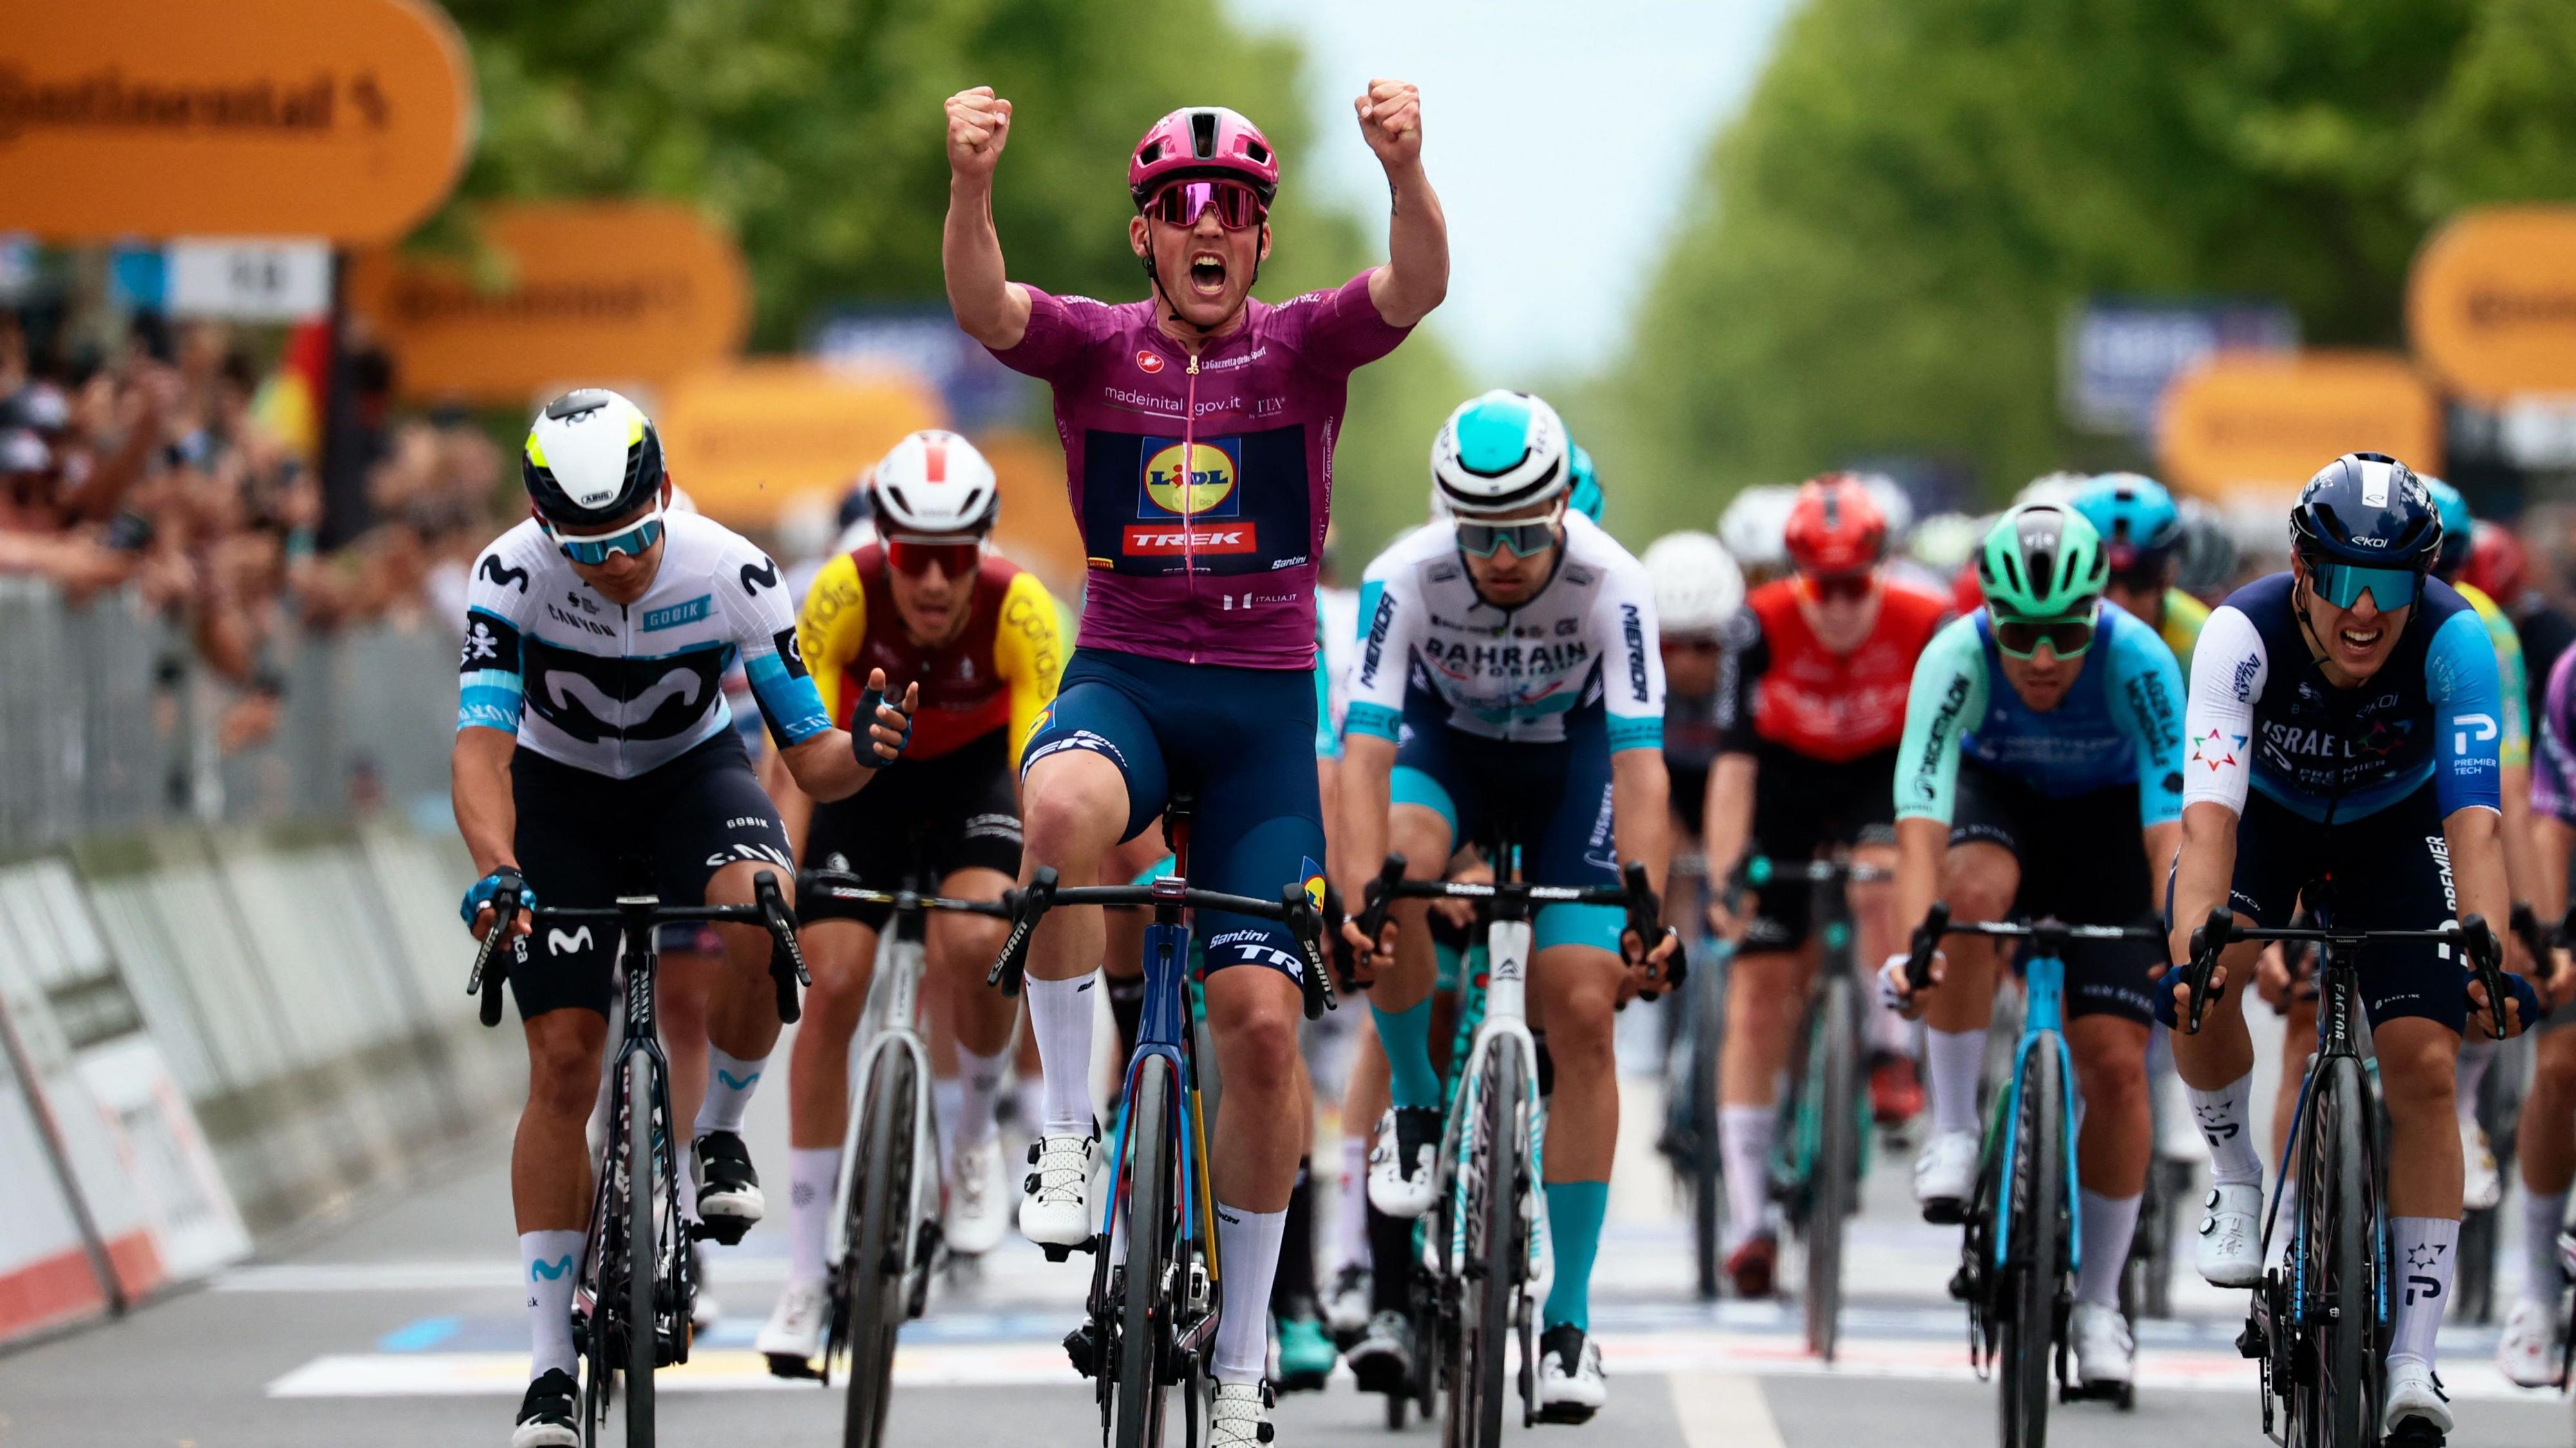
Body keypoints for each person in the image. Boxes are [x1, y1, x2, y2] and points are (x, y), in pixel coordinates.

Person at [942, 78, 1446, 1443]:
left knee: (1266, 1030)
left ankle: (1237, 1354)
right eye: (1180, 208)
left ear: (1262, 237)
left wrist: (1403, 170)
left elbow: (1414, 285)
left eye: (1233, 208)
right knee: (1056, 806)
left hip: (1264, 709)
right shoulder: (1096, 348)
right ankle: (1067, 1125)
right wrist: (972, 184)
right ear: (1145, 235)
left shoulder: (1304, 348)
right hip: (1129, 677)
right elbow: (984, 306)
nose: (1207, 224)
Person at [453, 390, 914, 1448]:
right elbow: (481, 748)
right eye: (587, 548)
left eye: (634, 535)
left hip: (689, 780)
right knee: (562, 1062)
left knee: (762, 904)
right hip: (559, 796)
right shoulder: (509, 575)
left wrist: (866, 749)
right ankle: (549, 1365)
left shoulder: (732, 571)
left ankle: (718, 1135)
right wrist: (499, 868)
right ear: (543, 525)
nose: (616, 563)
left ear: (664, 491)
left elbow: (809, 756)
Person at [2163, 452, 2530, 1442]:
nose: (2366, 612)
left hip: (2396, 828)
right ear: (2301, 569)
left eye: (2392, 586)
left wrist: (2490, 954)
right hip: (2267, 820)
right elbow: (2208, 821)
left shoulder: (2456, 639)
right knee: (2206, 978)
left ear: (2425, 580)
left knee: (2426, 1064)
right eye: (2344, 582)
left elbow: (2477, 826)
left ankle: (2414, 1357)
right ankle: (2237, 1178)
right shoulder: (2241, 635)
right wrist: (2197, 946)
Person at [1336, 390, 1678, 1420]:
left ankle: (1567, 1322)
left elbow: (1642, 767)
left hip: (1570, 771)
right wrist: (1357, 900)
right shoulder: (1403, 575)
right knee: (1396, 869)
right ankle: (1414, 1105)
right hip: (1447, 757)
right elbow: (1364, 754)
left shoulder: (1614, 580)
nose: (1501, 555)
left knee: (1582, 1003)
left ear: (1563, 506)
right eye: (1479, 532)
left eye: (1526, 531)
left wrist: (1649, 916)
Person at [753, 429, 1065, 1371]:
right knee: (834, 981)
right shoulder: (839, 592)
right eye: (915, 558)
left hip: (976, 780)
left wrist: (1033, 884)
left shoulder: (1022, 607)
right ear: (885, 543)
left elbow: (1038, 769)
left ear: (983, 548)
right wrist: (777, 873)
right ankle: (805, 1277)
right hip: (865, 779)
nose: (933, 582)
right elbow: (795, 757)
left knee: (977, 939)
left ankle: (973, 1139)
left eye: (954, 559)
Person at [1880, 504, 2184, 1393]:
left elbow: (2171, 827)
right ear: (1989, 617)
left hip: (2110, 831)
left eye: (2065, 634)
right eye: (2020, 634)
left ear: (2096, 612)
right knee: (1968, 898)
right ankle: (1953, 1126)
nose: (2043, 657)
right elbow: (1919, 820)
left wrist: (2179, 938)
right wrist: (1917, 948)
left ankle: (2099, 1305)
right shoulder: (1955, 656)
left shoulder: (2140, 658)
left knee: (2117, 1067)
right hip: (1998, 805)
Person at [1704, 473, 1950, 1297]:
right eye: (1822, 586)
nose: (1839, 605)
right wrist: (1726, 875)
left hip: (1879, 771)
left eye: (1855, 584)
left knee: (1880, 877)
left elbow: (1941, 763)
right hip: (1786, 777)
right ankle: (1749, 1222)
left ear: (1879, 568)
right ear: (1795, 575)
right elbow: (1733, 763)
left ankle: (1889, 1051)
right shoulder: (1757, 622)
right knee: (1757, 999)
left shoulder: (1924, 618)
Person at [2499, 642, 2576, 1384]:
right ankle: (2539, 1289)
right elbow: (2551, 822)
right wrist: (2551, 943)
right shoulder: (2571, 675)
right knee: (2559, 1066)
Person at [1644, 531, 1746, 938]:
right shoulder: (1633, 667)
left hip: (1733, 782)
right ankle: (1669, 949)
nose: (1685, 663)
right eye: (1669, 646)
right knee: (1660, 846)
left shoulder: (1750, 662)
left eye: (1704, 646)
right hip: (1666, 782)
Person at [2072, 472, 2209, 672]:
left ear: (2169, 575)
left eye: (2139, 580)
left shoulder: (2202, 645)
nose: (2119, 604)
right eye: (2101, 581)